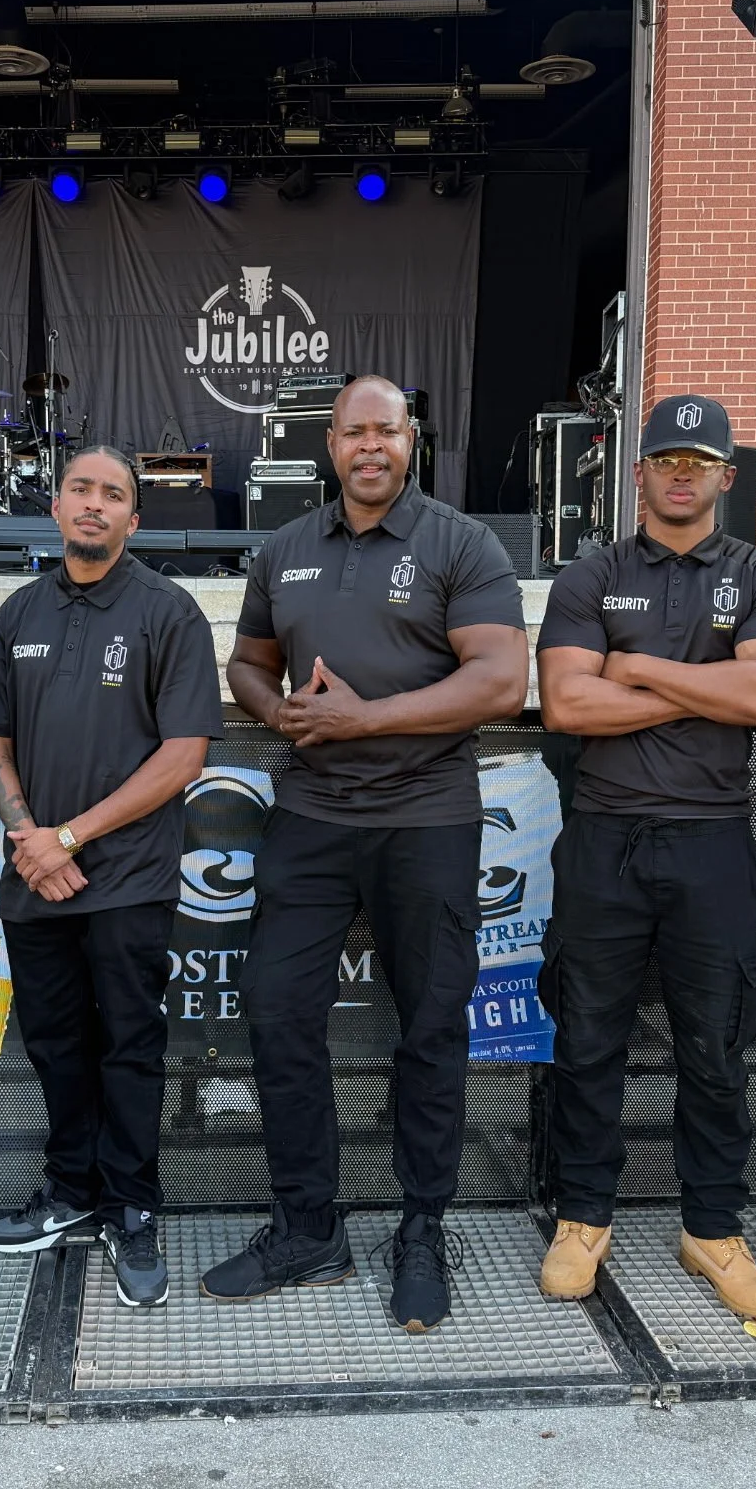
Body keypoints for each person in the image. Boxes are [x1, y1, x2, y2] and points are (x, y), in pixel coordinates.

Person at [204, 375, 529, 1333]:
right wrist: (285, 717)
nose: (371, 447)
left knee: (431, 1027)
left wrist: (363, 719)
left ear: (412, 438)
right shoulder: (287, 548)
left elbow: (503, 680)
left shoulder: (459, 543)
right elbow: (246, 664)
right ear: (331, 444)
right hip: (311, 814)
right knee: (275, 1008)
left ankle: (422, 1229)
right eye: (354, 433)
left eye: (387, 430)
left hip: (426, 818)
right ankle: (309, 1227)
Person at [533, 395, 756, 1317]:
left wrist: (637, 666)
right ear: (639, 472)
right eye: (665, 458)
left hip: (712, 839)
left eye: (700, 459)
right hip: (604, 836)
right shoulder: (589, 575)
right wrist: (712, 688)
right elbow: (569, 708)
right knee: (587, 1035)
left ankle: (712, 1229)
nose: (682, 472)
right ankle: (584, 1217)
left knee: (718, 1041)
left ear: (727, 476)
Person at [0, 447, 223, 1309]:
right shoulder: (20, 610)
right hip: (32, 877)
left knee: (129, 1048)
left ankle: (132, 1206)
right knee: (52, 1044)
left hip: (130, 879)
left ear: (133, 520)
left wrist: (70, 836)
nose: (95, 505)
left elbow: (184, 754)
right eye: (82, 489)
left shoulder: (168, 612)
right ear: (56, 503)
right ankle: (72, 1192)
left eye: (114, 495)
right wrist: (28, 838)